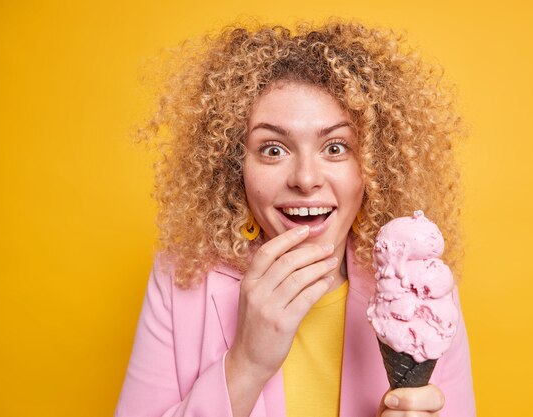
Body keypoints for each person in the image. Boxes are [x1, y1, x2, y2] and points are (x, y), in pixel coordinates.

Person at [116, 20, 475, 417]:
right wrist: (247, 365)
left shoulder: (420, 289)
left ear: (373, 166)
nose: (305, 179)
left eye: (336, 147)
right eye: (273, 150)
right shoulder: (179, 280)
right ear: (234, 166)